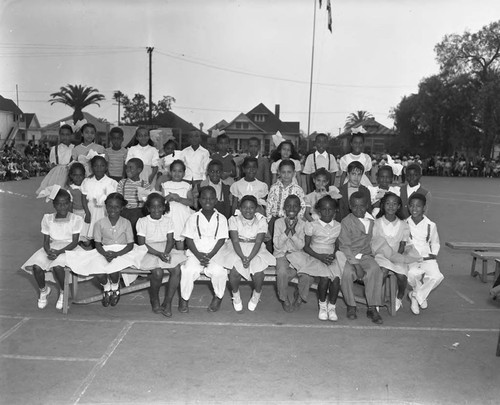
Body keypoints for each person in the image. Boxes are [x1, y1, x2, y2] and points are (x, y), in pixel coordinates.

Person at [66, 193, 147, 307]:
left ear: (122, 208)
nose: (112, 209)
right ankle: (106, 288)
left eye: (116, 207)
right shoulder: (99, 223)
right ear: (105, 207)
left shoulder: (126, 223)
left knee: (113, 269)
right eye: (109, 206)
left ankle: (115, 287)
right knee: (99, 271)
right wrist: (104, 254)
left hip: (123, 251)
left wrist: (116, 254)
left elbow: (130, 245)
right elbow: (97, 243)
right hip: (104, 251)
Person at [21, 188, 83, 310]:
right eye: (59, 204)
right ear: (54, 205)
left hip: (69, 249)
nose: (62, 207)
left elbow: (75, 242)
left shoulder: (76, 219)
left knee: (57, 267)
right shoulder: (48, 219)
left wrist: (59, 252)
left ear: (70, 203)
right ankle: (43, 290)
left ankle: (63, 291)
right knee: (36, 266)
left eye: (65, 203)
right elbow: (45, 241)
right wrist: (48, 251)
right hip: (53, 247)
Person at [288, 196, 342, 321]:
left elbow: (337, 246)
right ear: (318, 211)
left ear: (335, 211)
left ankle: (332, 307)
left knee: (336, 279)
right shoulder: (312, 225)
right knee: (324, 278)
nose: (327, 213)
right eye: (324, 210)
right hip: (314, 255)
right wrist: (320, 257)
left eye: (331, 210)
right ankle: (322, 305)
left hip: (330, 256)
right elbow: (306, 247)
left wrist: (333, 255)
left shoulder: (338, 226)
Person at [180, 186, 228, 313]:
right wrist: (198, 255)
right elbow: (189, 240)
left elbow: (221, 240)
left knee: (218, 272)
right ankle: (184, 299)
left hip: (214, 254)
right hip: (196, 253)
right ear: (199, 200)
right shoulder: (193, 217)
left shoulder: (221, 218)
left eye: (211, 198)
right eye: (204, 198)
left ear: (216, 200)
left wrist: (210, 255)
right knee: (188, 270)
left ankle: (218, 297)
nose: (208, 201)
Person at [223, 195, 276, 312]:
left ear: (256, 208)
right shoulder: (233, 219)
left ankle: (256, 294)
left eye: (251, 208)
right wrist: (242, 257)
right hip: (237, 248)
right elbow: (235, 240)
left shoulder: (261, 220)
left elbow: (258, 241)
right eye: (245, 207)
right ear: (240, 208)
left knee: (258, 273)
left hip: (255, 248)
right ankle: (235, 295)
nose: (248, 210)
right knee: (235, 271)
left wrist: (250, 258)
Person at [136, 193, 185, 317]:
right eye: (153, 207)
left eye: (159, 207)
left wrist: (166, 253)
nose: (156, 210)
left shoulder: (168, 220)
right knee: (158, 272)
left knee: (176, 269)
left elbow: (170, 240)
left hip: (165, 248)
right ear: (148, 208)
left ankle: (167, 302)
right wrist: (158, 254)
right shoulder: (142, 221)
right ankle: (154, 298)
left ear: (164, 207)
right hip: (149, 250)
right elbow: (142, 244)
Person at [339, 191, 384, 324]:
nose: (358, 209)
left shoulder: (371, 221)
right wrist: (356, 265)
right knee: (347, 273)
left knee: (375, 270)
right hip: (350, 256)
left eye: (362, 206)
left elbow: (375, 240)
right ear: (350, 206)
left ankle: (372, 307)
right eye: (355, 206)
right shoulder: (346, 222)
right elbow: (345, 246)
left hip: (365, 255)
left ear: (367, 205)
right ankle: (351, 305)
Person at [372, 193, 419, 312]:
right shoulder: (377, 223)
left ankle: (399, 297)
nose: (391, 206)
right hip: (381, 255)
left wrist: (395, 257)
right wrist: (385, 256)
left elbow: (403, 244)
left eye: (394, 204)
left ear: (399, 206)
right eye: (388, 203)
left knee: (402, 276)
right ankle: (376, 300)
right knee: (382, 272)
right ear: (383, 205)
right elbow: (374, 242)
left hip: (397, 256)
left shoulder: (403, 225)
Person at [406, 193, 443, 315]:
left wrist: (433, 254)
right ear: (408, 207)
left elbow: (435, 242)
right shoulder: (404, 224)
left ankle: (416, 296)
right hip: (411, 258)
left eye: (418, 206)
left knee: (437, 276)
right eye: (411, 206)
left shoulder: (430, 225)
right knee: (412, 274)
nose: (414, 209)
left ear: (424, 208)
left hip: (427, 257)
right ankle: (419, 293)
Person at [273, 195, 307, 312]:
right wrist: (287, 230)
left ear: (300, 209)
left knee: (307, 274)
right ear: (284, 208)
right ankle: (284, 298)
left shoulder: (303, 224)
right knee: (282, 272)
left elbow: (300, 246)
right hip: (281, 254)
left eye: (295, 206)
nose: (291, 209)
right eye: (288, 206)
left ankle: (300, 296)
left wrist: (293, 232)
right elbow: (277, 245)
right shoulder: (278, 223)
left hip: (297, 254)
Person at [81, 156, 118, 243]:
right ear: (92, 167)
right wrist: (87, 213)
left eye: (102, 165)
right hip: (91, 211)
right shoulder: (87, 181)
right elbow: (83, 198)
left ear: (106, 167)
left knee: (104, 236)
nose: (99, 168)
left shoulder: (112, 182)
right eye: (96, 166)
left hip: (105, 212)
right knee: (91, 236)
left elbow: (115, 200)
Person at [160, 160, 194, 250]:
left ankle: (180, 258)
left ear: (184, 173)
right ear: (170, 172)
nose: (177, 173)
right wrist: (169, 197)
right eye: (174, 171)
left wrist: (179, 199)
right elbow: (161, 202)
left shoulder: (186, 186)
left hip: (181, 215)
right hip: (169, 214)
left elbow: (191, 202)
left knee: (179, 238)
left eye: (180, 171)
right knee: (169, 237)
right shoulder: (165, 185)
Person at [36, 124, 74, 196]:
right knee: (58, 197)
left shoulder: (74, 149)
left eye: (67, 134)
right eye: (62, 134)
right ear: (59, 135)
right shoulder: (54, 149)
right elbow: (53, 166)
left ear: (71, 135)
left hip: (70, 177)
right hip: (57, 178)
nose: (65, 137)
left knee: (69, 196)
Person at [116, 158, 149, 237]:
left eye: (131, 168)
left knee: (136, 232)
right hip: (124, 211)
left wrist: (143, 198)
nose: (127, 170)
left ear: (139, 170)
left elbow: (147, 201)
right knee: (124, 233)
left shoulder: (145, 184)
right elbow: (119, 198)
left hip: (138, 212)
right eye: (127, 167)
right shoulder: (122, 183)